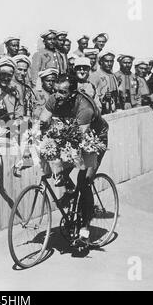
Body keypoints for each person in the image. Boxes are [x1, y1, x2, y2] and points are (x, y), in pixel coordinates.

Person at [39, 75, 109, 241]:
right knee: (57, 167)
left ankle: (85, 230)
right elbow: (41, 123)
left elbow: (78, 139)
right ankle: (71, 192)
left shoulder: (84, 108)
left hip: (93, 138)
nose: (57, 95)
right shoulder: (53, 99)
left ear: (73, 93)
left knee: (84, 180)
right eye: (55, 90)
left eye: (62, 92)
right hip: (70, 133)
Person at [0, 56, 23, 121]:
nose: (6, 78)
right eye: (3, 74)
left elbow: (19, 114)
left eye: (9, 75)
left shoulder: (14, 93)